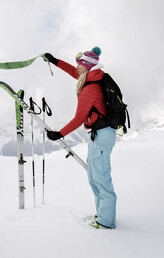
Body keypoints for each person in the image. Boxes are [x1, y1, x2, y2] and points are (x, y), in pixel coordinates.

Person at [44, 47, 117, 229]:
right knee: (93, 177)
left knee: (102, 179)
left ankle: (106, 222)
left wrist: (59, 133)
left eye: (80, 64)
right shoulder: (90, 78)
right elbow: (73, 71)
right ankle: (102, 215)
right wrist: (55, 61)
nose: (77, 66)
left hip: (101, 135)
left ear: (88, 66)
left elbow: (79, 118)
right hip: (98, 135)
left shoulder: (89, 89)